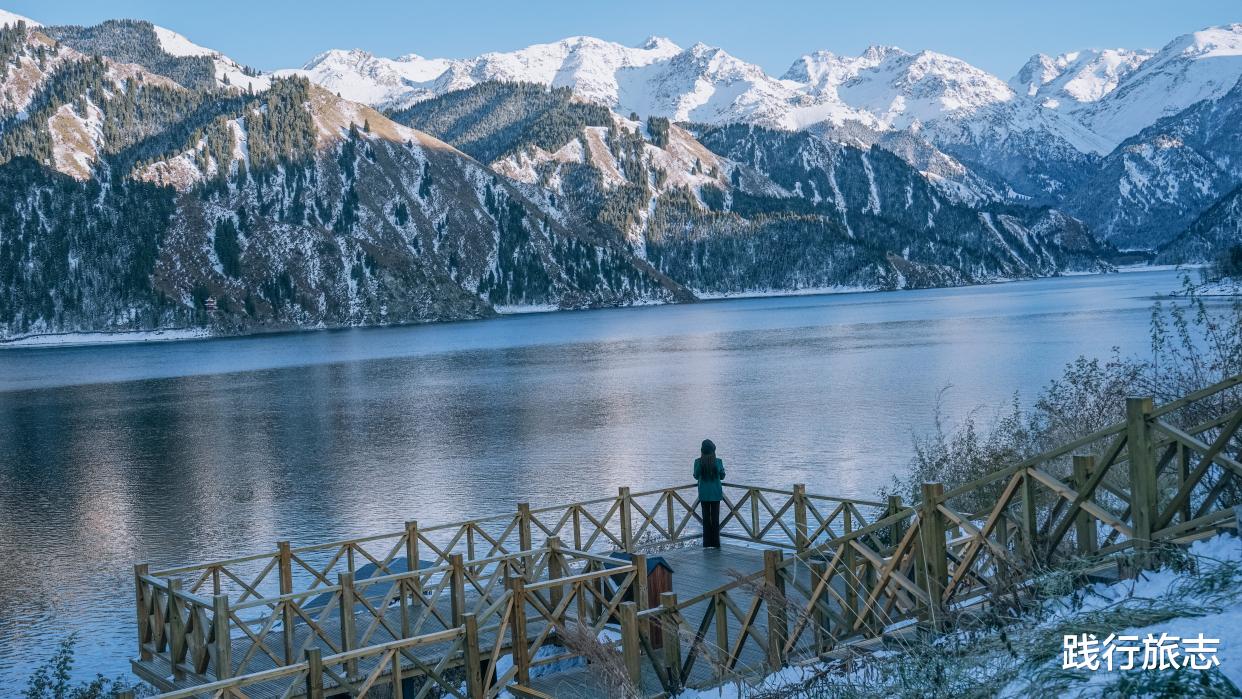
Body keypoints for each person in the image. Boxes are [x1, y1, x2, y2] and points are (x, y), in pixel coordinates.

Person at [694, 439, 725, 548]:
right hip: (716, 494)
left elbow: (696, 476)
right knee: (715, 519)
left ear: (702, 450)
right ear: (713, 450)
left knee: (706, 519)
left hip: (704, 494)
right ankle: (716, 543)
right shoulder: (718, 461)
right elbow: (722, 476)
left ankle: (706, 544)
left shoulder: (698, 462)